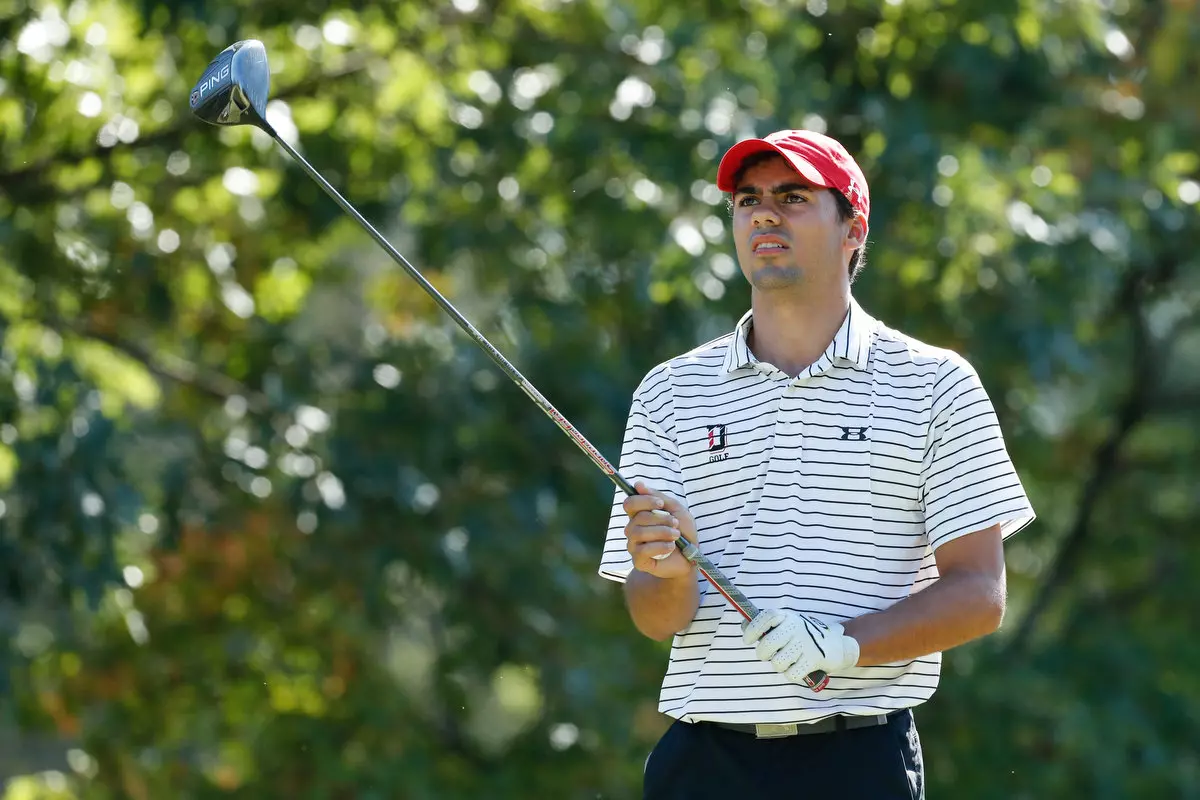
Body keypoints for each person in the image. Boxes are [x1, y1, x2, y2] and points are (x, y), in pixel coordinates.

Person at [596, 129, 1036, 799]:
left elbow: (980, 593)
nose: (764, 214)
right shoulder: (670, 391)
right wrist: (667, 572)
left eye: (793, 197)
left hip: (858, 761)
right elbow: (656, 618)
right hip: (704, 762)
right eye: (748, 200)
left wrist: (843, 645)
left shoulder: (935, 385)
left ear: (853, 229)